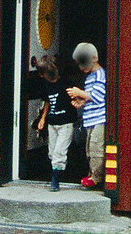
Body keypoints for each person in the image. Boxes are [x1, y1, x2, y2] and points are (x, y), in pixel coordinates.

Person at [65, 41, 105, 189]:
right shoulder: (89, 78)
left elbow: (99, 96)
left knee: (96, 147)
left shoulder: (100, 75)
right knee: (89, 147)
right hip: (90, 119)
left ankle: (96, 176)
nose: (81, 67)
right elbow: (91, 97)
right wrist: (81, 101)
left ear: (94, 58)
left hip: (100, 118)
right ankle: (91, 173)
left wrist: (80, 93)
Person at [34, 55, 75, 191]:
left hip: (66, 123)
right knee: (52, 152)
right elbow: (47, 102)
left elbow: (76, 98)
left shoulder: (66, 83)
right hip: (52, 123)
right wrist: (43, 119)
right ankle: (57, 173)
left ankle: (55, 181)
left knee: (59, 152)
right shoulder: (46, 85)